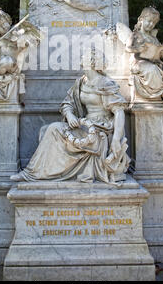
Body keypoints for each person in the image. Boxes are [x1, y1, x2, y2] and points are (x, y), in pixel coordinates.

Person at [10, 49, 130, 184]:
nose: (81, 58)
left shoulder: (105, 83)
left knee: (54, 129)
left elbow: (119, 111)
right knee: (47, 130)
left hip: (101, 129)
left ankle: (31, 174)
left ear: (91, 62)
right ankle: (34, 172)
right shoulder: (81, 82)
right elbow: (67, 103)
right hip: (84, 124)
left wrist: (115, 139)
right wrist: (70, 115)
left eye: (84, 57)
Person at [125, 7, 163, 107]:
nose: (151, 24)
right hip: (138, 63)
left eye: (153, 23)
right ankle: (160, 91)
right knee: (151, 69)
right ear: (141, 20)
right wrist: (138, 49)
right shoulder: (136, 34)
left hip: (154, 62)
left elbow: (156, 52)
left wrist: (162, 53)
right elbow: (128, 48)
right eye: (149, 21)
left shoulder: (153, 37)